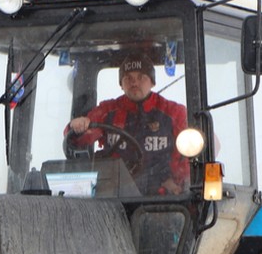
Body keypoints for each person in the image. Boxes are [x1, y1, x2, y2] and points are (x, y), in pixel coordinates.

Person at [64, 54, 188, 195]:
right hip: (115, 193)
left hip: (160, 196)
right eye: (128, 78)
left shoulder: (174, 113)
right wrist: (78, 126)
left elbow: (193, 150)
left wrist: (177, 183)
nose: (134, 83)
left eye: (141, 77)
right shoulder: (108, 110)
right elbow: (79, 138)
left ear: (152, 82)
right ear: (121, 84)